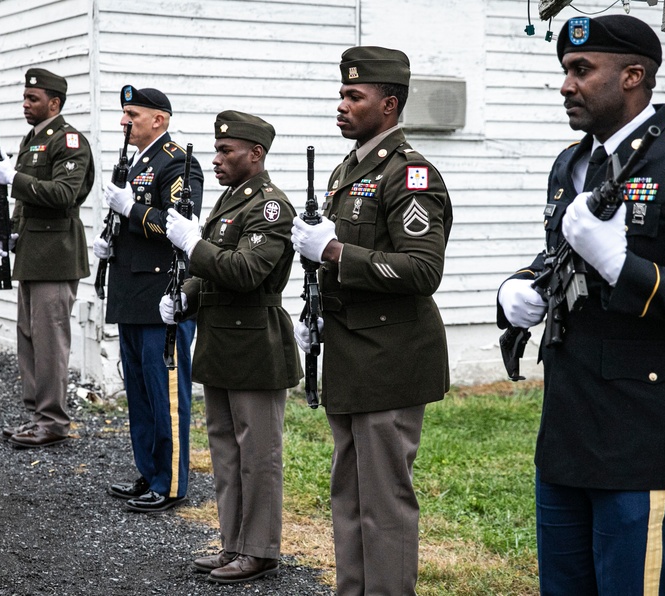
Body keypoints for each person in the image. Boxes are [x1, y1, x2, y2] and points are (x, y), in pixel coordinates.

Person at [495, 15, 665, 595]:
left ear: (634, 75)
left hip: (643, 438)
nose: (567, 84)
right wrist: (518, 287)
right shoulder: (571, 162)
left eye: (582, 70)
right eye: (566, 70)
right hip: (566, 430)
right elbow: (558, 258)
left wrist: (624, 268)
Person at [290, 47, 453, 595]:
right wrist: (314, 311)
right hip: (350, 351)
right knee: (350, 496)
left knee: (383, 502)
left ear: (388, 105)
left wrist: (334, 252)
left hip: (391, 357)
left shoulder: (408, 174)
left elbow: (422, 269)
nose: (342, 104)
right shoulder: (348, 168)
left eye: (354, 96)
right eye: (342, 93)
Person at [161, 110, 300, 583]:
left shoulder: (269, 207)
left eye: (227, 151)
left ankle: (260, 551)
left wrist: (193, 244)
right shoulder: (230, 202)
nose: (217, 159)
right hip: (220, 340)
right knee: (225, 450)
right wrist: (184, 298)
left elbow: (244, 272)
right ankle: (233, 543)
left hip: (255, 342)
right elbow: (214, 274)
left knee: (258, 455)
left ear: (255, 154)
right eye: (217, 150)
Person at [93, 86, 203, 512]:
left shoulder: (178, 162)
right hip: (130, 294)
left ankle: (172, 483)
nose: (124, 122)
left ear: (159, 119)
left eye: (132, 115)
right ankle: (149, 472)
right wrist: (111, 239)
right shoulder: (136, 161)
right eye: (124, 114)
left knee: (166, 396)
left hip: (161, 297)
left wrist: (131, 211)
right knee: (138, 391)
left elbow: (180, 223)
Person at [0, 67, 94, 449]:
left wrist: (13, 177)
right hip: (32, 253)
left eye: (33, 99)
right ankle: (37, 415)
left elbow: (63, 194)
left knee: (50, 342)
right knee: (29, 338)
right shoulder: (31, 141)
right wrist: (9, 233)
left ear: (55, 102)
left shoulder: (69, 141)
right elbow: (24, 202)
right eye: (25, 98)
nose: (26, 104)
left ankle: (53, 420)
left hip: (56, 255)